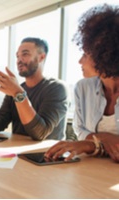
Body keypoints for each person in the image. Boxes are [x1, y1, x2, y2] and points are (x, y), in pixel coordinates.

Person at [45, 4, 119, 163]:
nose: (80, 61)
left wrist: (91, 143)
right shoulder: (82, 88)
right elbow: (80, 130)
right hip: (92, 168)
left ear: (106, 54)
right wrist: (103, 139)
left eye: (86, 54)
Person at [0, 37, 68, 141]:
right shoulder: (15, 90)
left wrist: (18, 94)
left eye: (25, 54)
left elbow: (39, 133)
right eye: (17, 56)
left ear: (41, 57)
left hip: (46, 157)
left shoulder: (57, 88)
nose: (19, 60)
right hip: (18, 154)